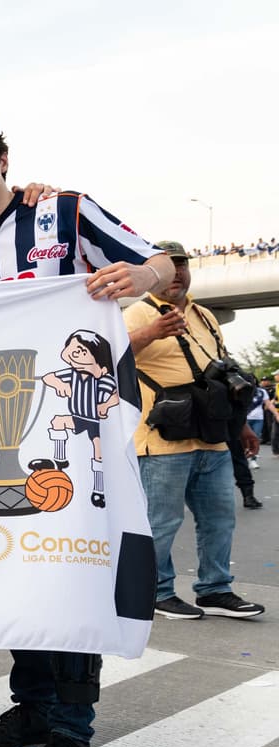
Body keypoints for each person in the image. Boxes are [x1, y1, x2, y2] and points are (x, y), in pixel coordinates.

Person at [0, 106, 173, 747]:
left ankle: (72, 733)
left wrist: (141, 280)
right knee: (19, 572)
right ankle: (33, 704)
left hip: (79, 430)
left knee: (70, 576)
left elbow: (160, 261)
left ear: (3, 158)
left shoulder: (63, 212)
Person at [124, 239, 266, 622]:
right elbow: (108, 355)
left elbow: (219, 372)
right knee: (162, 522)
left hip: (211, 434)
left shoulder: (204, 315)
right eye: (168, 267)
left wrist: (240, 427)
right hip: (162, 438)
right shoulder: (137, 313)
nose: (176, 273)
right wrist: (152, 332)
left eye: (181, 265)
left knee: (220, 516)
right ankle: (157, 592)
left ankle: (215, 589)